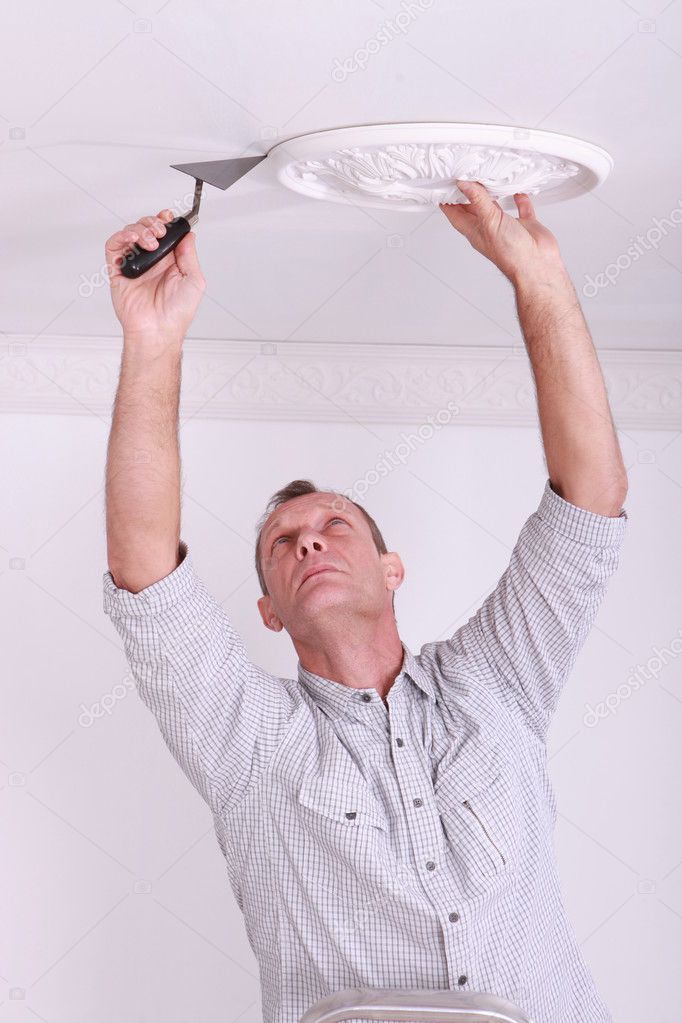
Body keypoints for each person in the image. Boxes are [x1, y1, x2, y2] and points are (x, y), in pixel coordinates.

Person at [102, 180, 628, 1023]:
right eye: (283, 542)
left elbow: (590, 504)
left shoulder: (498, 682)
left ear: (392, 569)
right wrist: (152, 340)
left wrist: (540, 279)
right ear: (268, 609)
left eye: (335, 523)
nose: (308, 540)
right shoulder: (252, 743)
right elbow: (145, 574)